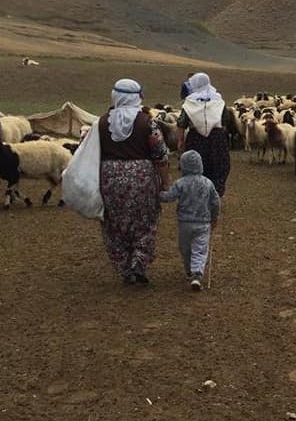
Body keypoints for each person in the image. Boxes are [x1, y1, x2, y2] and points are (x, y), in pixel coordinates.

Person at [99, 79, 170, 285]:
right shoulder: (147, 122)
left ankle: (124, 266)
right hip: (142, 177)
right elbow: (161, 155)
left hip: (109, 178)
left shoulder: (102, 122)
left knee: (114, 222)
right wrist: (165, 183)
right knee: (145, 220)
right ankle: (139, 261)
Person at [160, 150, 221, 291]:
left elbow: (169, 197)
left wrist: (157, 195)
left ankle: (189, 270)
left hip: (185, 223)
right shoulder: (208, 183)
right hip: (203, 222)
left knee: (185, 248)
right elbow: (216, 201)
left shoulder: (180, 183)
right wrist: (214, 217)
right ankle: (197, 274)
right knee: (200, 249)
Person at [176, 73, 231, 196]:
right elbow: (226, 119)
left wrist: (180, 140)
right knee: (219, 165)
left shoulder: (189, 102)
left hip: (196, 140)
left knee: (196, 166)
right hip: (217, 139)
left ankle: (197, 195)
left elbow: (181, 123)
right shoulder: (218, 100)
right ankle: (215, 194)